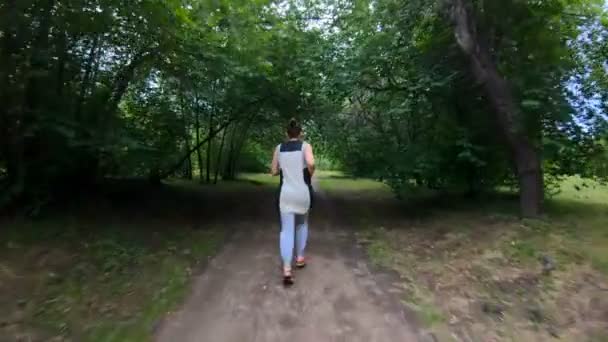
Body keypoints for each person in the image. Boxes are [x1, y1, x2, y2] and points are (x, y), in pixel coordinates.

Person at [271, 118, 315, 285]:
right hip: (302, 192)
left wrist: (284, 168)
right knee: (302, 225)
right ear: (300, 133)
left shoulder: (279, 148)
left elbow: (274, 171)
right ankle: (300, 258)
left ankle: (287, 269)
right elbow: (311, 163)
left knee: (286, 230)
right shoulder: (305, 146)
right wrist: (310, 172)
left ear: (286, 133)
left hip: (286, 193)